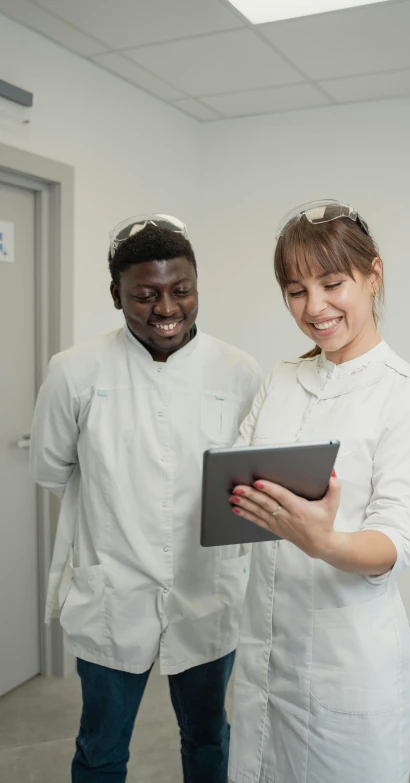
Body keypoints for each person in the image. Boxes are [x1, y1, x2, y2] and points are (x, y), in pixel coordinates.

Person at [30, 214, 262, 783]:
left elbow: (252, 479)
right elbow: (51, 470)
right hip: (114, 591)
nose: (166, 308)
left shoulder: (239, 372)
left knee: (208, 737)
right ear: (116, 295)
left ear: (197, 286)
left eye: (181, 290)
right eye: (145, 294)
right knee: (101, 747)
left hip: (206, 590)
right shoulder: (75, 372)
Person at [227, 200, 410, 783]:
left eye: (332, 283)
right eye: (296, 291)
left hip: (348, 660)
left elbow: (394, 543)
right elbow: (238, 487)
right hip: (265, 654)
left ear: (373, 275)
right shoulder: (281, 379)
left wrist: (323, 541)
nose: (314, 308)